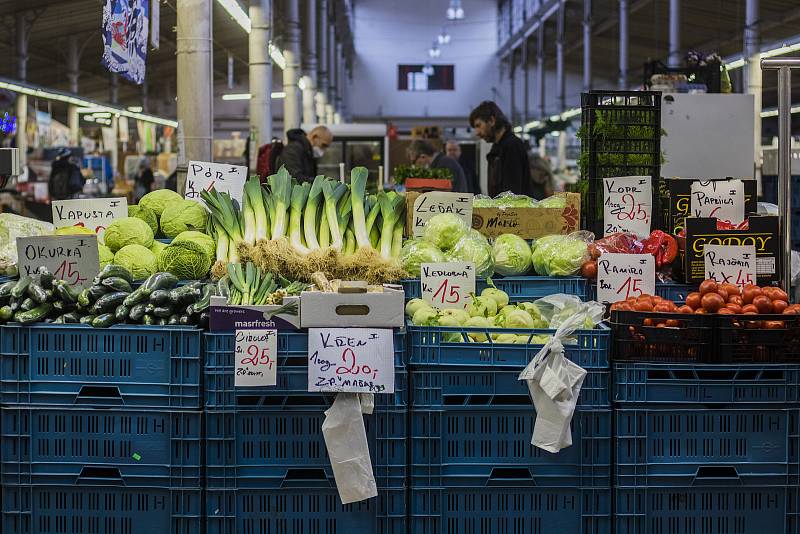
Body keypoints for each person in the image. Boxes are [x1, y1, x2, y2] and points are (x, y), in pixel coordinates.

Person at [469, 101, 531, 197]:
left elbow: (513, 194)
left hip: (512, 211)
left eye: (478, 125)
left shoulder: (512, 146)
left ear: (492, 121)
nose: (477, 133)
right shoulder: (497, 147)